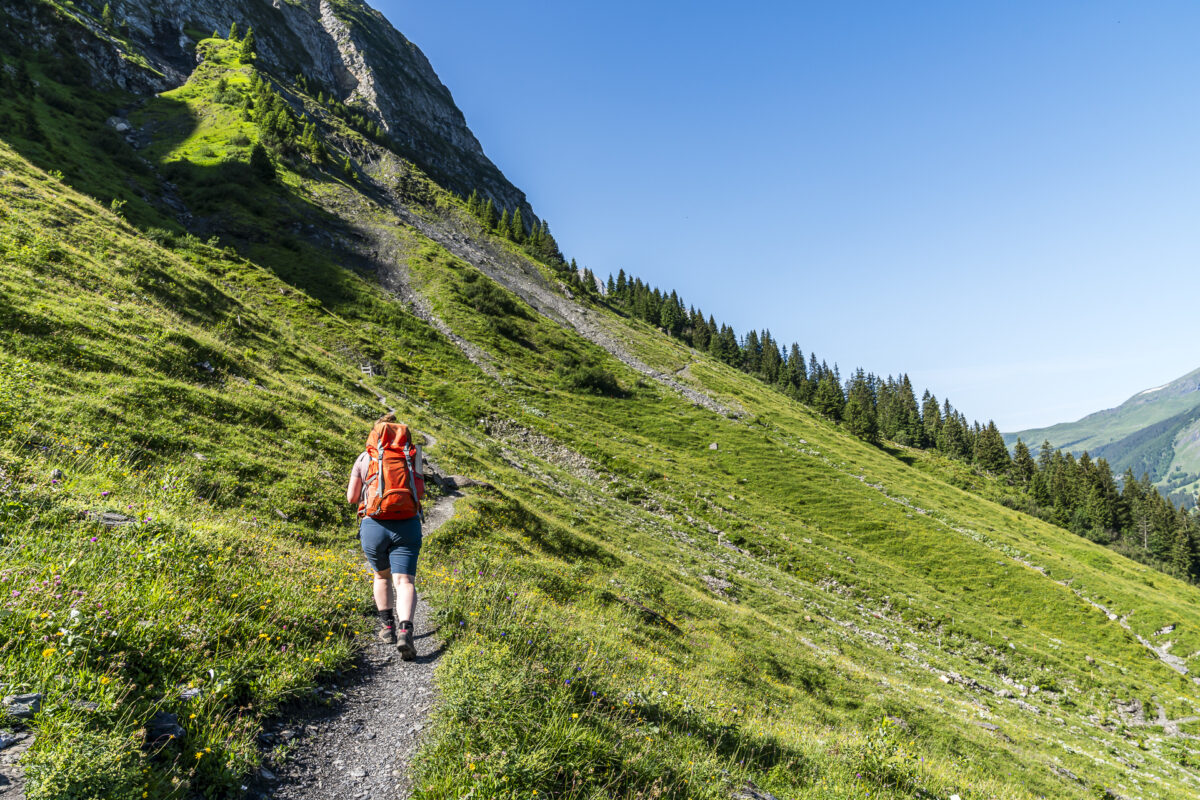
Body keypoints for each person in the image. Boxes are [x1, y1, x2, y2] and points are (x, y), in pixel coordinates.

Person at [346, 412, 424, 660]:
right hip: (407, 525)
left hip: (374, 525)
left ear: (375, 432)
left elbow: (351, 498)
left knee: (381, 576)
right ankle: (405, 631)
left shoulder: (364, 457)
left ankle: (387, 627)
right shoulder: (412, 456)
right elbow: (419, 493)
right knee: (405, 581)